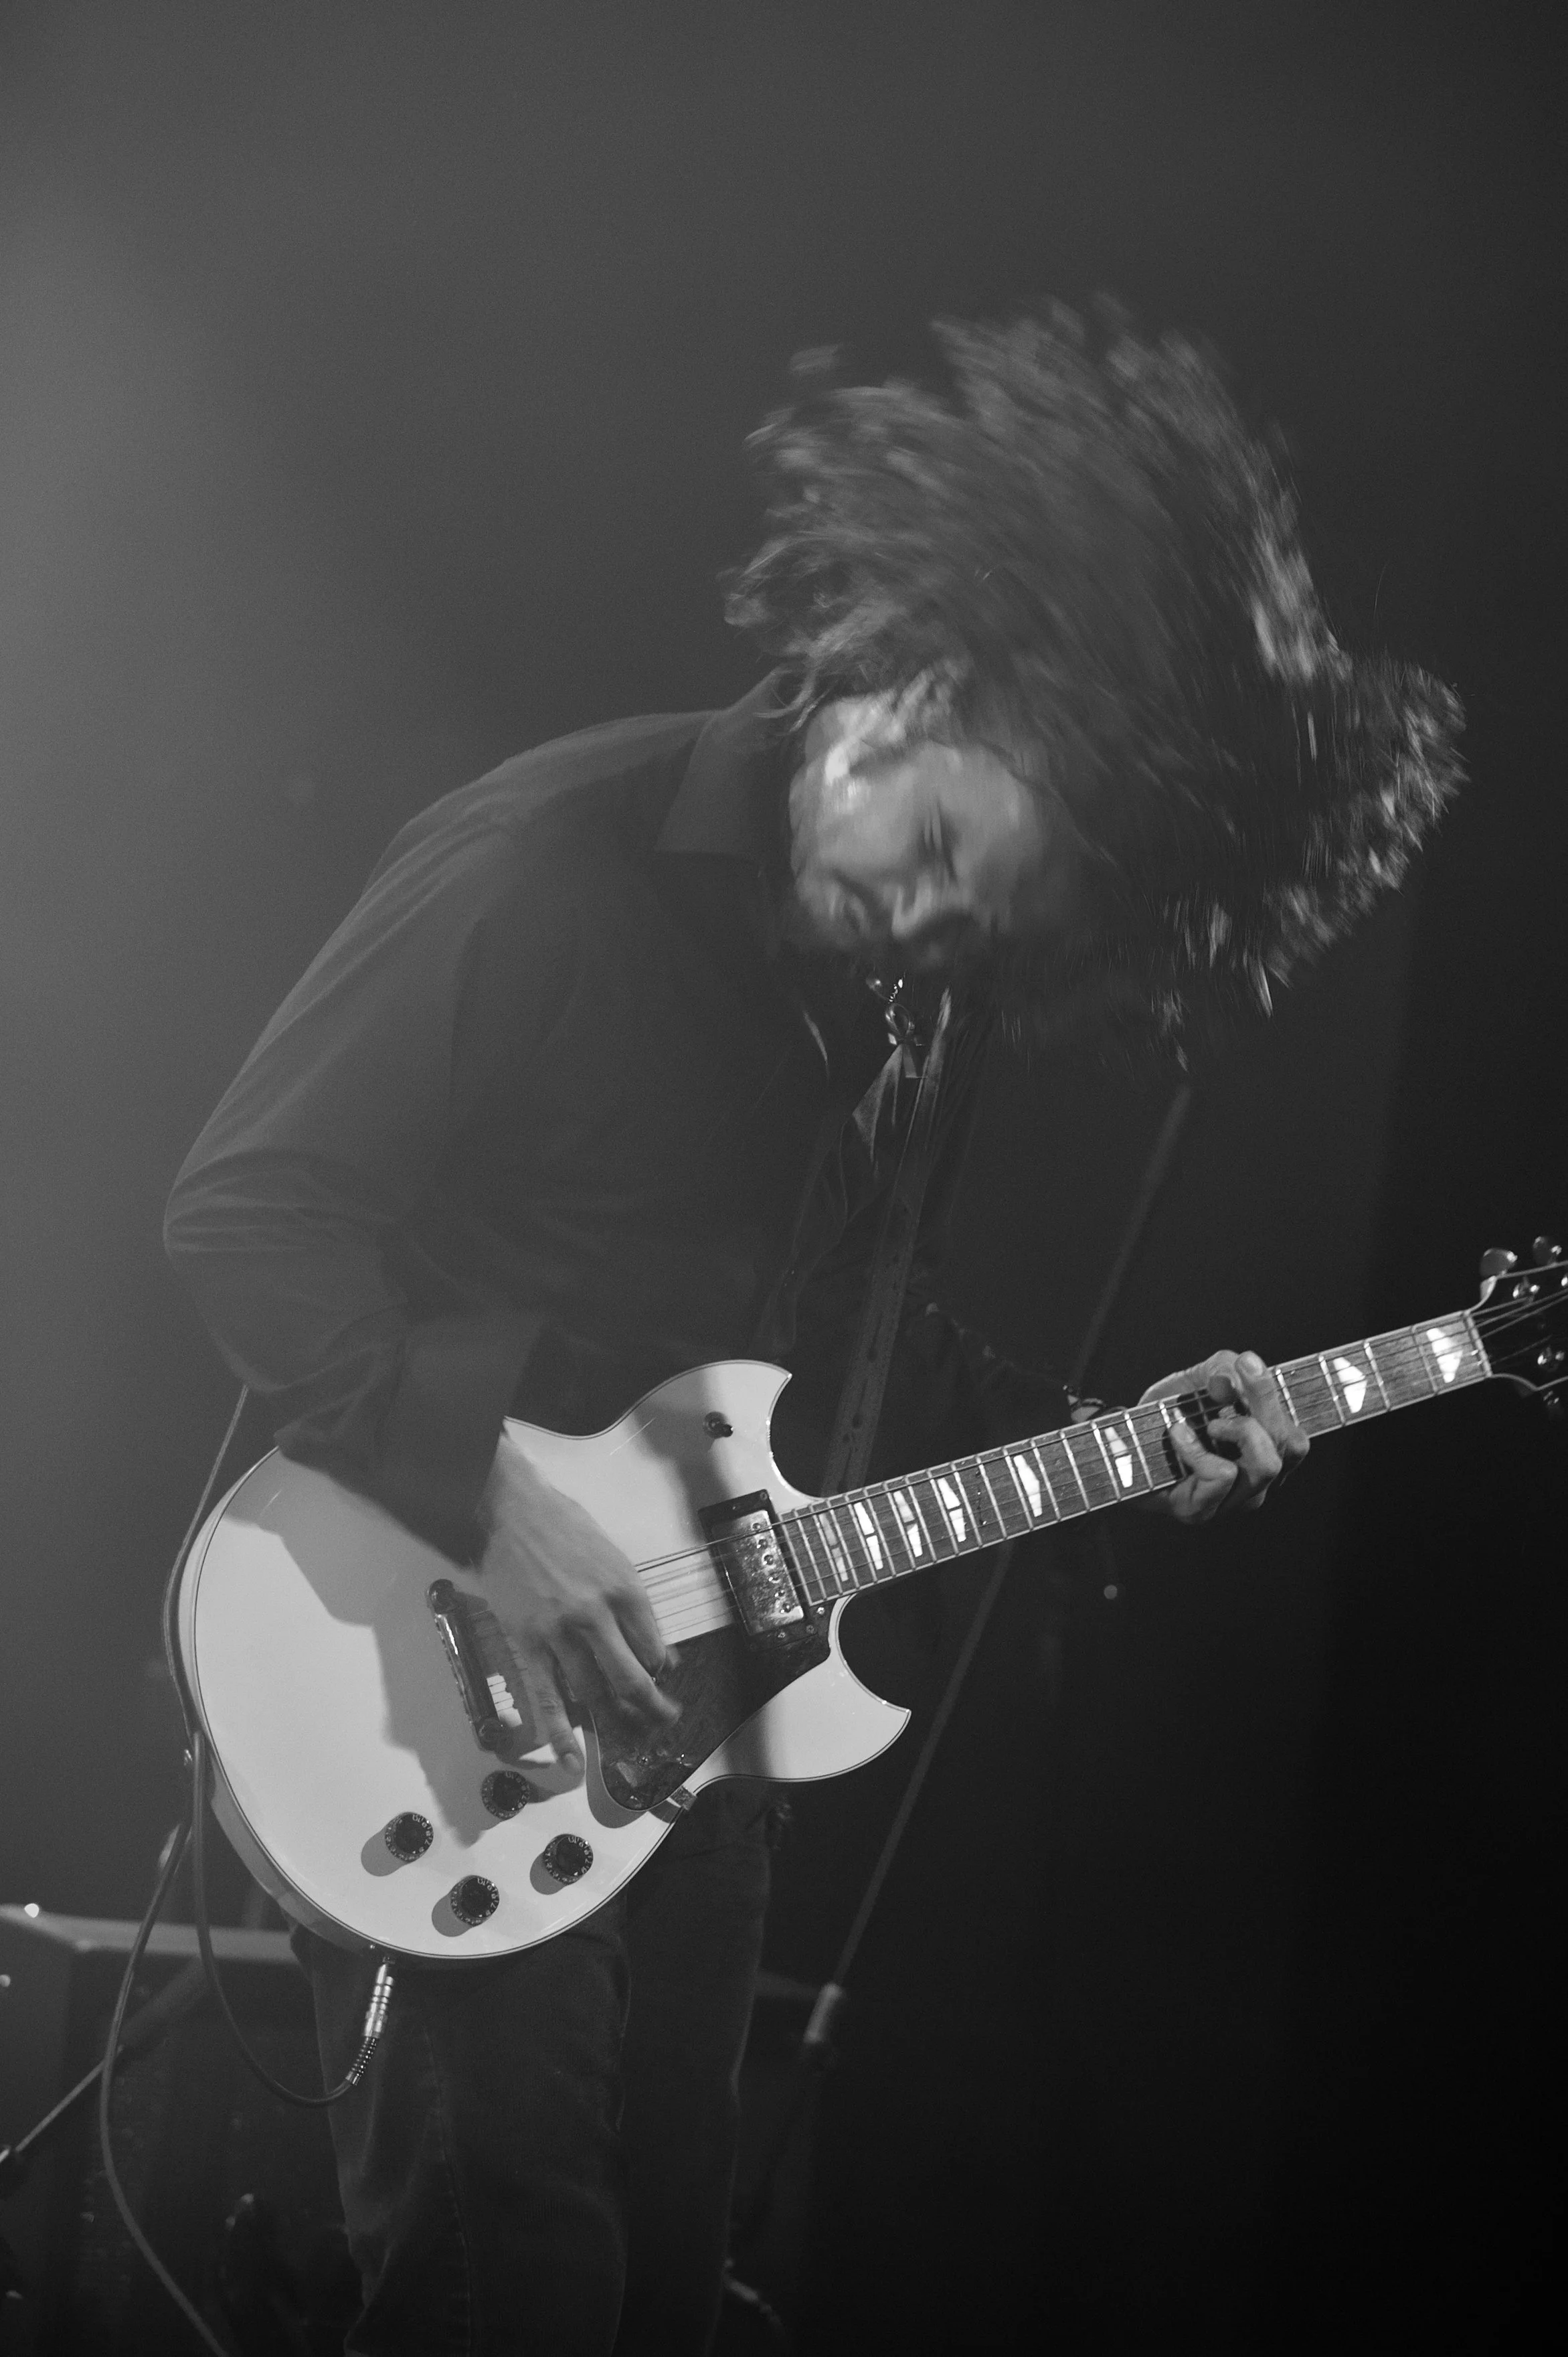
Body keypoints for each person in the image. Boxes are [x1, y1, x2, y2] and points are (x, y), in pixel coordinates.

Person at [163, 308, 1461, 2355]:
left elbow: (847, 1345)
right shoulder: (542, 861)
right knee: (511, 2301)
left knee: (666, 2305)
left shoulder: (884, 1014)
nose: (921, 928)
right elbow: (250, 1214)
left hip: (690, 1756)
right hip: (421, 1679)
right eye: (932, 851)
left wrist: (1123, 1435)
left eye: (980, 925)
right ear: (904, 691)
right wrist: (501, 1506)